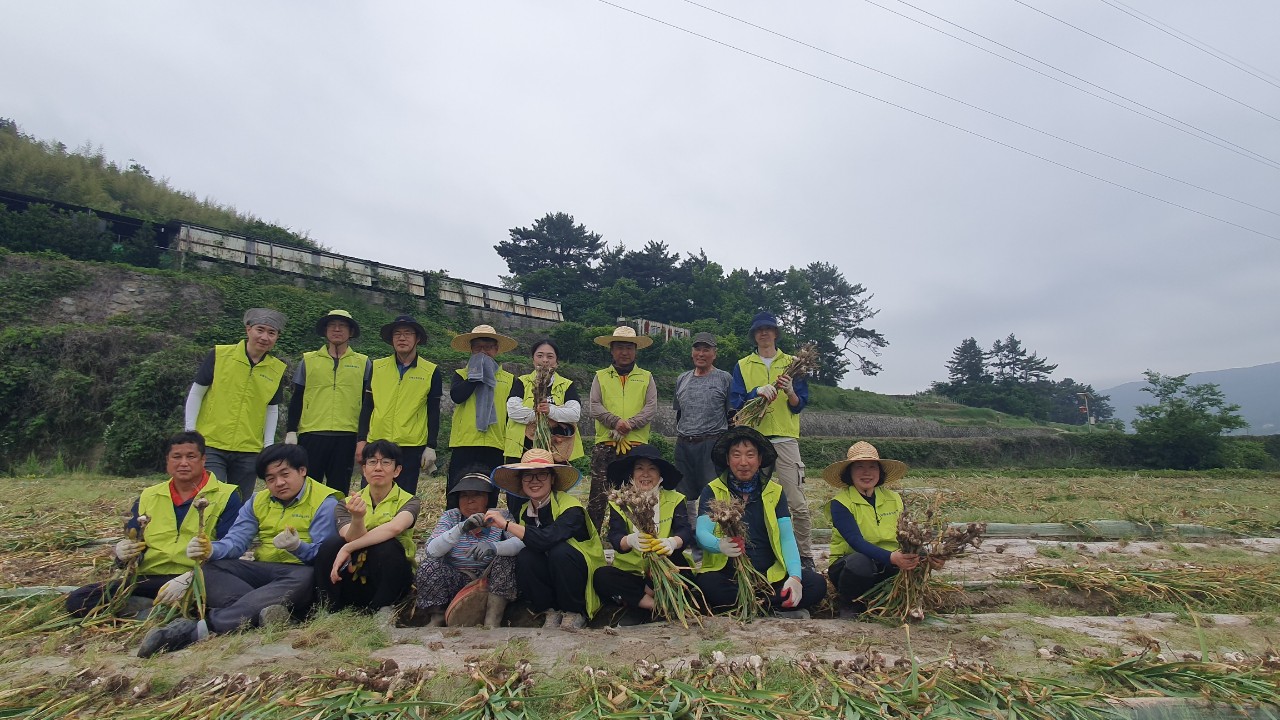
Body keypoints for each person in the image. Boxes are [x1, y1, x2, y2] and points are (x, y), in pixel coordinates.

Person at [137, 444, 340, 657]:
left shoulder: (325, 502)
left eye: (285, 474)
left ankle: (203, 627)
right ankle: (266, 612)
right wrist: (209, 549)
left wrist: (298, 547)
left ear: (302, 471)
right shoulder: (257, 500)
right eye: (270, 479)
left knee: (306, 577)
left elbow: (324, 556)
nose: (279, 483)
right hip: (263, 571)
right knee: (213, 568)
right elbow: (236, 542)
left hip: (298, 571)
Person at [66, 432, 241, 617]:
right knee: (80, 599)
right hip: (148, 578)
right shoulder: (149, 496)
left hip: (197, 579)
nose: (183, 463)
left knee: (232, 602)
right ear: (167, 460)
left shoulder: (226, 495)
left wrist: (194, 577)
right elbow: (135, 544)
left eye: (191, 457)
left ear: (203, 459)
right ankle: (158, 608)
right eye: (176, 457)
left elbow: (228, 550)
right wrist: (122, 554)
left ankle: (153, 610)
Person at [694, 426, 826, 618]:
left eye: (750, 455)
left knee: (816, 584)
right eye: (736, 455)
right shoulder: (712, 490)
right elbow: (701, 532)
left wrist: (795, 577)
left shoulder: (775, 491)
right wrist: (719, 545)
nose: (743, 462)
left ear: (760, 459)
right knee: (706, 584)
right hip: (730, 575)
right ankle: (774, 607)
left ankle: (753, 605)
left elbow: (787, 538)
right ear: (727, 460)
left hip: (770, 574)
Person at [729, 311, 815, 572]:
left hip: (786, 438)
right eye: (759, 330)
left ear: (776, 333)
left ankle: (805, 555)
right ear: (754, 335)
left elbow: (799, 405)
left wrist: (789, 391)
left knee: (796, 501)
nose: (764, 333)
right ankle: (755, 552)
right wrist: (755, 393)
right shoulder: (743, 365)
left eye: (768, 329)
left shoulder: (793, 363)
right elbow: (735, 402)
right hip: (754, 440)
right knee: (752, 498)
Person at [489, 449, 603, 630]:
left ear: (552, 479)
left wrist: (506, 525)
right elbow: (527, 542)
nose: (534, 481)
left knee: (560, 552)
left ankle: (574, 612)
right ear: (521, 482)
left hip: (581, 571)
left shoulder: (571, 506)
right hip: (552, 571)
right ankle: (549, 611)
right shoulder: (524, 511)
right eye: (528, 476)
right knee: (526, 556)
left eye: (541, 475)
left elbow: (547, 539)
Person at [185, 307, 289, 500]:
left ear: (277, 338)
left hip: (249, 449)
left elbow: (271, 408)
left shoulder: (277, 369)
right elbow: (197, 392)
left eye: (271, 333)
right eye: (260, 330)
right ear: (248, 329)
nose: (265, 337)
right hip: (211, 442)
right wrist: (190, 431)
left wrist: (268, 445)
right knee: (211, 497)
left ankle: (231, 532)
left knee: (238, 501)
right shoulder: (220, 355)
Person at [314, 440, 420, 614]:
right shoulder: (346, 503)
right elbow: (349, 536)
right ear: (364, 470)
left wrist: (348, 548)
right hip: (355, 571)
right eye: (372, 462)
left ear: (397, 470)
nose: (378, 468)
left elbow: (394, 528)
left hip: (393, 575)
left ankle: (383, 608)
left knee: (387, 545)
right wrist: (357, 518)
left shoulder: (409, 501)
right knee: (330, 545)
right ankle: (329, 607)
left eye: (385, 462)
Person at [592, 444, 693, 621]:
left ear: (660, 474)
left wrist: (671, 543)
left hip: (664, 570)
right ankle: (656, 605)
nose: (645, 474)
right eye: (639, 468)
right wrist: (630, 540)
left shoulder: (675, 499)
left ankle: (639, 597)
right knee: (602, 576)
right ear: (631, 474)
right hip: (633, 573)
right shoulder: (620, 501)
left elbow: (684, 530)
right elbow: (615, 537)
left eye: (652, 469)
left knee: (680, 563)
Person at [822, 441, 922, 617]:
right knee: (861, 562)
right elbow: (856, 541)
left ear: (880, 472)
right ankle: (849, 604)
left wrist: (925, 556)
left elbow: (909, 534)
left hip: (888, 563)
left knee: (918, 558)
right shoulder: (840, 503)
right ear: (849, 473)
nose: (866, 473)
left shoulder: (894, 499)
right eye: (859, 467)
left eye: (872, 467)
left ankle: (902, 603)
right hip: (850, 567)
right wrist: (891, 557)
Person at [416, 471, 522, 627]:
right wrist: (461, 528)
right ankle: (437, 618)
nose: (470, 501)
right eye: (464, 495)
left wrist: (494, 547)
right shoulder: (451, 517)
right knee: (428, 566)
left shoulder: (501, 516)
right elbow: (432, 550)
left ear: (488, 498)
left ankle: (492, 620)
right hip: (457, 578)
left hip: (490, 582)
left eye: (477, 495)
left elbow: (519, 544)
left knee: (507, 557)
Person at [285, 309, 372, 494]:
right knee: (307, 487)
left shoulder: (363, 362)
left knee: (339, 488)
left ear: (351, 332)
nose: (337, 329)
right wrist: (291, 430)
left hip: (347, 434)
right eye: (332, 325)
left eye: (342, 326)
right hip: (312, 432)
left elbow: (368, 403)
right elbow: (297, 397)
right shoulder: (308, 360)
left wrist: (363, 436)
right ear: (325, 330)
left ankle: (337, 523)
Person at [361, 314, 441, 495]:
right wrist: (361, 440)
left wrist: (431, 446)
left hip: (411, 446)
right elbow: (367, 406)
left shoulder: (431, 371)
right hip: (377, 444)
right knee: (370, 496)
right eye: (397, 334)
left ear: (417, 338)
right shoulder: (377, 366)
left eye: (407, 333)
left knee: (403, 498)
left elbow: (433, 411)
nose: (402, 338)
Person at [587, 325, 657, 529]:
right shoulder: (600, 376)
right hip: (606, 442)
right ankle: (592, 539)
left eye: (629, 347)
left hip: (636, 445)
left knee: (633, 495)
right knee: (598, 495)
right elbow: (594, 405)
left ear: (635, 350)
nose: (624, 352)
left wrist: (631, 424)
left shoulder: (646, 376)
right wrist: (615, 421)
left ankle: (630, 537)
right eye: (619, 347)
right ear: (611, 350)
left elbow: (651, 407)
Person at [446, 325, 521, 509]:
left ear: (496, 350)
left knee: (489, 492)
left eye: (488, 347)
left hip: (495, 444)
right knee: (456, 490)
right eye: (478, 347)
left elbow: (512, 415)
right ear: (471, 350)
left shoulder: (511, 380)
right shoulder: (461, 375)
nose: (483, 352)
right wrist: (475, 376)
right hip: (464, 443)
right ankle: (453, 533)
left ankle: (486, 533)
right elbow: (457, 396)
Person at [672, 332, 731, 539]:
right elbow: (680, 413)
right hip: (684, 444)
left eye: (707, 349)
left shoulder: (724, 378)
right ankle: (691, 538)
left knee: (712, 495)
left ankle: (714, 539)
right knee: (683, 496)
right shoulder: (682, 379)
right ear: (692, 352)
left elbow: (732, 415)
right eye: (698, 349)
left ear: (714, 354)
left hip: (712, 444)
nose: (701, 353)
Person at [504, 338, 583, 464]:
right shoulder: (522, 382)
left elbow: (574, 413)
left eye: (550, 356)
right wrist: (538, 414)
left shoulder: (567, 385)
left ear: (557, 362)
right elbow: (513, 410)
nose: (545, 360)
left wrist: (550, 410)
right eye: (540, 355)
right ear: (533, 360)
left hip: (557, 449)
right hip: (523, 449)